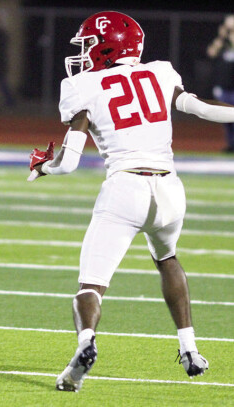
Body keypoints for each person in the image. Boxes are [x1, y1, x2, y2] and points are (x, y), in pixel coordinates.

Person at [27, 11, 234, 392]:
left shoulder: (83, 86)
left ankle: (85, 345)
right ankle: (190, 350)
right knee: (167, 259)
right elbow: (202, 109)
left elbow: (69, 163)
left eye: (89, 44)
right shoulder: (161, 72)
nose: (84, 52)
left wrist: (45, 167)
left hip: (125, 188)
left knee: (91, 285)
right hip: (170, 189)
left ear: (108, 46)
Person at [207, 14, 234, 152]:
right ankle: (231, 145)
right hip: (224, 89)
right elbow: (211, 52)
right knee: (226, 119)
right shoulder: (223, 44)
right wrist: (222, 36)